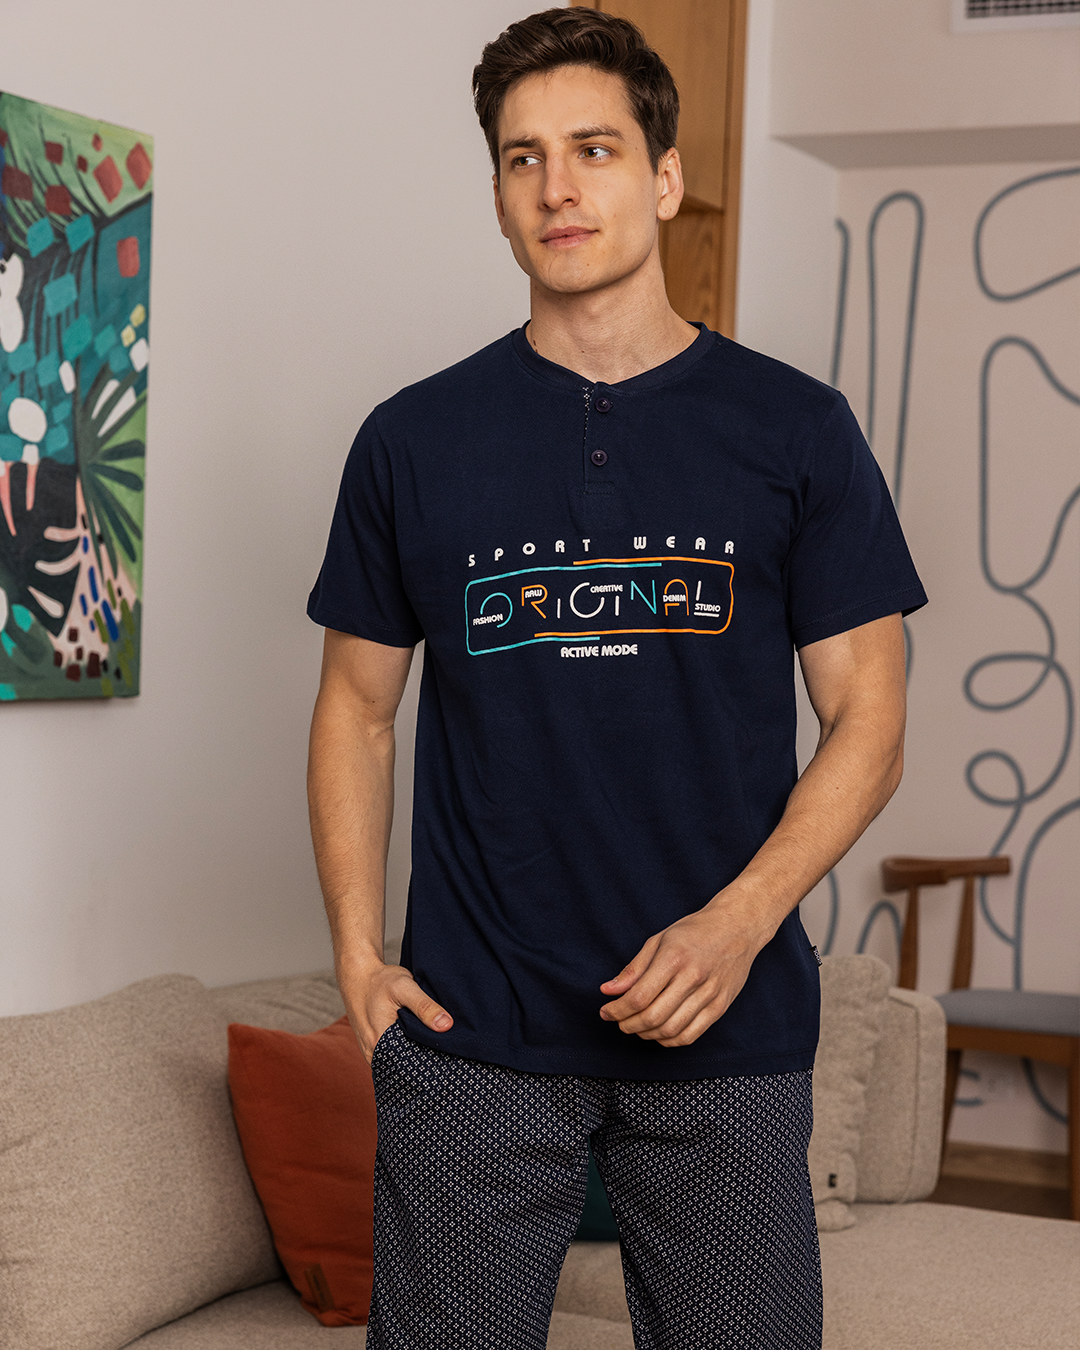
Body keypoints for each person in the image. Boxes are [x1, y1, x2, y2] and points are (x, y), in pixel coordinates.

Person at [306, 9, 926, 1349]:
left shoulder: (795, 430)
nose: (558, 187)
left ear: (664, 177)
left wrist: (738, 923)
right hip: (474, 1038)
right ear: (496, 195)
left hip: (723, 1029)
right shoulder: (412, 441)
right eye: (522, 158)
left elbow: (870, 722)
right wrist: (355, 951)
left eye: (594, 149)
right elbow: (357, 709)